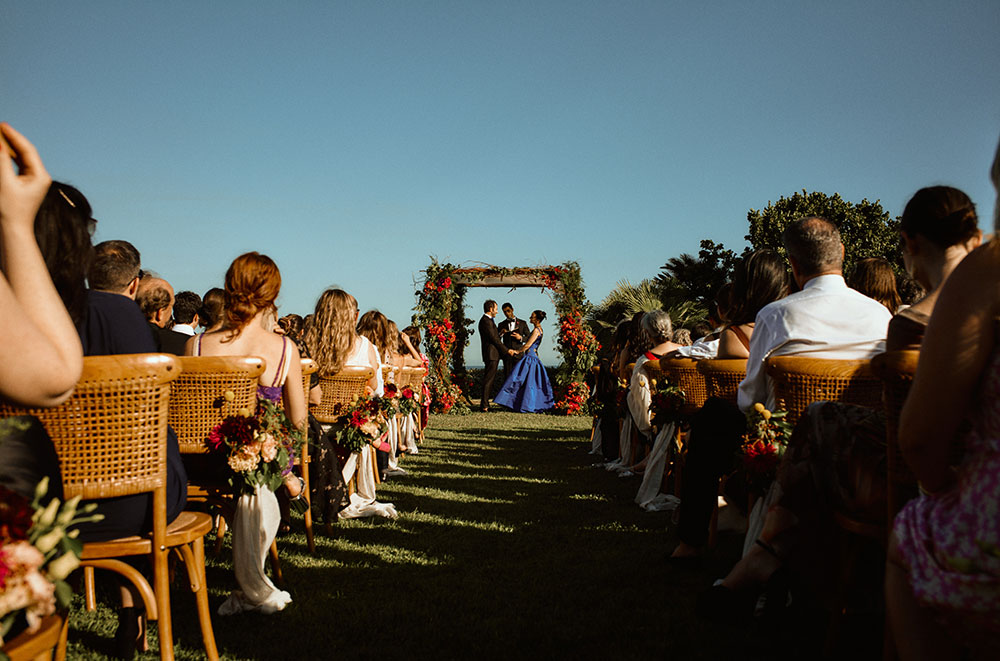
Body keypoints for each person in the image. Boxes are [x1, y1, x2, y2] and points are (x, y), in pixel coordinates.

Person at [697, 188, 982, 623]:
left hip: (903, 472)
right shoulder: (881, 317)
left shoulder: (784, 315)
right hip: (918, 459)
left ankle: (749, 554)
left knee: (805, 419)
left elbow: (750, 400)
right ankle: (767, 561)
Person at [672, 224, 890, 563]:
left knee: (714, 414)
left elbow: (750, 400)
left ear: (794, 265)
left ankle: (692, 541)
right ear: (842, 254)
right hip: (866, 449)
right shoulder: (880, 316)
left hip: (789, 448)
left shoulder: (776, 316)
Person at [886, 144, 1000, 658]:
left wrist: (937, 488)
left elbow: (919, 438)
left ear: (910, 242)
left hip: (982, 516)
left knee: (908, 530)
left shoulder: (981, 279)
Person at [186, 252, 304, 615]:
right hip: (251, 466)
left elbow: (189, 414)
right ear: (273, 296)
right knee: (263, 473)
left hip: (201, 463)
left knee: (259, 469)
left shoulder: (199, 344)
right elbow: (297, 420)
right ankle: (253, 581)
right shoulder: (284, 348)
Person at [306, 288, 396, 520]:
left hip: (311, 425)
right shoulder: (365, 346)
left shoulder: (306, 344)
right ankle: (342, 487)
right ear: (351, 316)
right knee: (368, 420)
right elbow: (376, 391)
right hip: (348, 426)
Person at [494, 310, 554, 413]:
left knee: (519, 379)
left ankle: (516, 403)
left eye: (532, 317)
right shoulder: (538, 329)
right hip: (531, 356)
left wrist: (517, 351)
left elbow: (527, 345)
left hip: (530, 358)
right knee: (527, 381)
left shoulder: (536, 330)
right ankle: (517, 403)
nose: (530, 318)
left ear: (537, 319)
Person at [478, 299, 515, 412]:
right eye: (496, 309)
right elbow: (494, 340)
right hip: (491, 354)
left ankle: (485, 404)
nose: (497, 312)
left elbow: (493, 336)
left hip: (492, 354)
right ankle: (484, 406)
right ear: (490, 309)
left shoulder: (488, 321)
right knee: (488, 379)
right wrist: (507, 350)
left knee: (489, 379)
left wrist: (500, 334)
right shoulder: (486, 321)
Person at [498, 302, 529, 380]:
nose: (507, 313)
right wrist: (501, 334)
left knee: (520, 377)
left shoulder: (522, 323)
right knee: (507, 378)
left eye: (508, 311)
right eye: (504, 312)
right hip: (507, 355)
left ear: (512, 310)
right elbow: (497, 340)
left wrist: (521, 338)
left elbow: (529, 338)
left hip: (519, 355)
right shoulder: (501, 324)